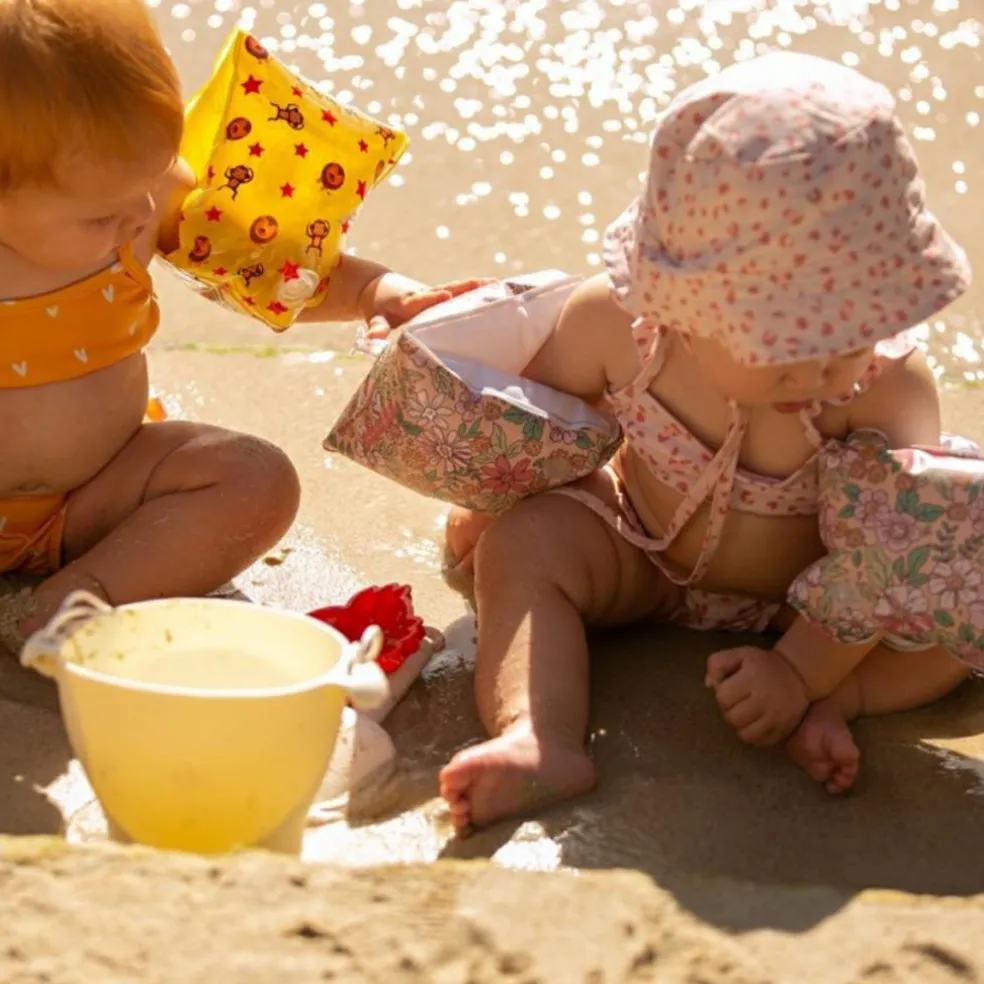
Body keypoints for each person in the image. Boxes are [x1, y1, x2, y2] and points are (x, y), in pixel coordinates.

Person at [437, 51, 973, 833]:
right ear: (681, 304)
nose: (822, 374)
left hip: (814, 606)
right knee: (523, 543)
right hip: (645, 551)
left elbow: (886, 562)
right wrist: (493, 502)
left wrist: (801, 672)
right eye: (784, 348)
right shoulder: (617, 328)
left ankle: (844, 702)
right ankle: (538, 736)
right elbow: (542, 422)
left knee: (955, 586)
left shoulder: (886, 390)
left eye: (848, 341)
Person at [0, 0, 474, 639]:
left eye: (151, 178)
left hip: (95, 493)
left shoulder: (142, 198)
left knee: (256, 478)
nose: (140, 215)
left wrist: (372, 292)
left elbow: (264, 264)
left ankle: (85, 593)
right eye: (101, 216)